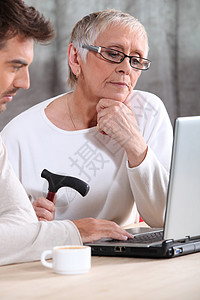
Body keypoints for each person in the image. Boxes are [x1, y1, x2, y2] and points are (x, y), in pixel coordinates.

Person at [2, 9, 173, 230]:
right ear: (75, 58)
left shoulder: (148, 111)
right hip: (54, 257)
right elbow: (7, 233)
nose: (126, 68)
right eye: (112, 54)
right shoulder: (18, 136)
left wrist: (135, 145)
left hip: (127, 256)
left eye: (136, 59)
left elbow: (165, 218)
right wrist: (25, 221)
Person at [0, 1, 132, 266]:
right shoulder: (17, 133)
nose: (25, 82)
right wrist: (74, 231)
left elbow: (18, 221)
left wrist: (31, 228)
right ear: (75, 58)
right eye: (15, 66)